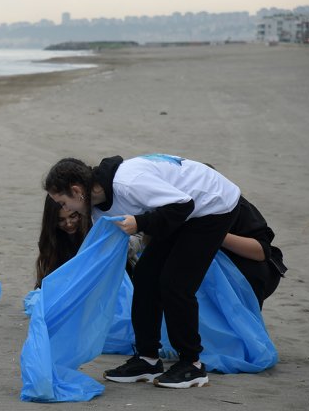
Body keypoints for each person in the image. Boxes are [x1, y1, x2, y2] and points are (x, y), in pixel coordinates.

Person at [44, 154, 241, 389]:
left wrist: (139, 223)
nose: (65, 209)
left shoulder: (128, 183)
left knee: (175, 284)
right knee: (146, 275)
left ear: (77, 191)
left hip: (213, 204)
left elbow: (183, 205)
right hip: (181, 209)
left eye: (63, 202)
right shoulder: (97, 208)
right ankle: (147, 358)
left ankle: (192, 364)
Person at [33, 195, 91, 289]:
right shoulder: (51, 241)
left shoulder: (93, 231)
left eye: (73, 216)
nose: (68, 223)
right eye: (60, 220)